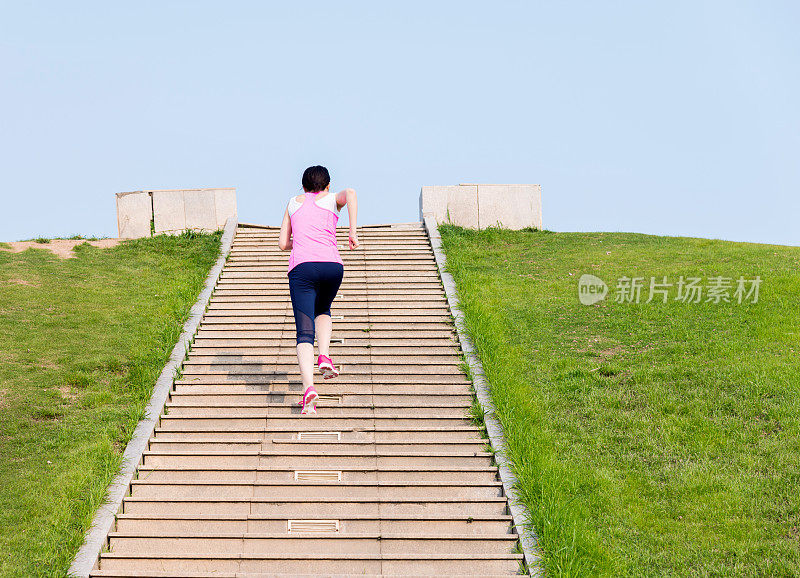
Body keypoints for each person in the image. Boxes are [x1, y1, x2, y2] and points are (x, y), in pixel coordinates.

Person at [278, 165, 359, 415]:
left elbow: (283, 244)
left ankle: (309, 388)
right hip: (332, 266)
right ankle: (324, 356)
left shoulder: (293, 202)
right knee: (323, 308)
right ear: (327, 185)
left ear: (302, 187)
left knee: (304, 332)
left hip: (302, 268)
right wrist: (352, 232)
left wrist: (301, 239)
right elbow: (352, 193)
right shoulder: (332, 199)